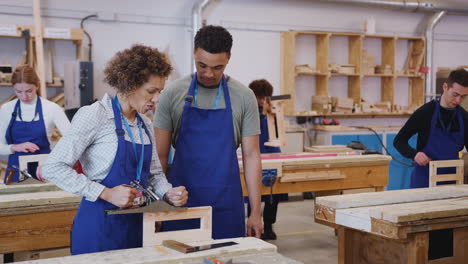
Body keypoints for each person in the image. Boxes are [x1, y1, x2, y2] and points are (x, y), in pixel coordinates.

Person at [42, 44, 188, 255]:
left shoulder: (145, 124)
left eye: (160, 92)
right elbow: (53, 167)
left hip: (137, 227)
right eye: (151, 91)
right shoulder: (94, 116)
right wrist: (106, 193)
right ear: (129, 85)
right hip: (99, 227)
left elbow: (155, 175)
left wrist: (168, 192)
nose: (156, 99)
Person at [154, 25, 263, 239]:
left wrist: (256, 212)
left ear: (229, 59)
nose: (208, 74)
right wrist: (157, 205)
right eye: (202, 65)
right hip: (179, 201)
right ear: (194, 52)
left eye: (217, 67)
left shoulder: (243, 96)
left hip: (226, 203)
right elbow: (159, 157)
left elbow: (252, 156)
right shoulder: (172, 94)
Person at [394, 68, 468, 188]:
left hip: (452, 180)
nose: (458, 100)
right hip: (425, 179)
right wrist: (415, 154)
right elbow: (399, 141)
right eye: (455, 94)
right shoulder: (425, 112)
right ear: (445, 87)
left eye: (463, 97)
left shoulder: (464, 117)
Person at [0, 65, 70, 183]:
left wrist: (54, 159)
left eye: (29, 91)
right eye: (18, 91)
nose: (24, 96)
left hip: (44, 171)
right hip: (15, 173)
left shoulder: (52, 108)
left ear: (37, 85)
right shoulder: (7, 109)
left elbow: (72, 141)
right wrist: (15, 147)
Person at [248, 79, 288, 240]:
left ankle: (269, 225)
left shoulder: (273, 110)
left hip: (273, 152)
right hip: (255, 153)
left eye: (266, 98)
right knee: (253, 190)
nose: (263, 101)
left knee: (273, 192)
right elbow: (253, 128)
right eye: (260, 97)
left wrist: (272, 112)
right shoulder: (249, 109)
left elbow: (278, 130)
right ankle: (253, 223)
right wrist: (263, 113)